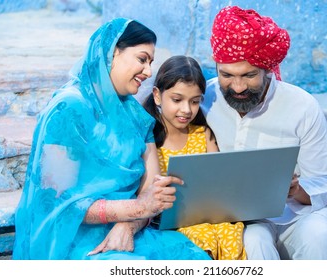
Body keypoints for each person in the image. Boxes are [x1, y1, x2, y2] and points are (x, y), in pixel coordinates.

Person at [12, 18, 211, 260]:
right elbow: (59, 201)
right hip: (73, 238)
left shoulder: (137, 117)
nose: (149, 72)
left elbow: (151, 191)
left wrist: (128, 226)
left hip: (129, 230)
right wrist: (136, 208)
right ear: (112, 53)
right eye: (142, 59)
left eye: (150, 62)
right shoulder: (68, 109)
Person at [201, 6, 327, 259]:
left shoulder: (301, 106)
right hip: (238, 219)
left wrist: (296, 190)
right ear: (216, 66)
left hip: (297, 214)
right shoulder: (205, 97)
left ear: (267, 70)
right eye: (227, 75)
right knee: (253, 240)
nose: (237, 87)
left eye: (249, 75)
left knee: (318, 236)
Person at [143, 55, 247, 260]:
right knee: (201, 237)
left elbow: (220, 182)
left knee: (230, 232)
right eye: (177, 99)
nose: (186, 110)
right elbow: (146, 193)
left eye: (195, 101)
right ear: (157, 95)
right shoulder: (150, 139)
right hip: (169, 224)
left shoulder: (203, 135)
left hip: (209, 217)